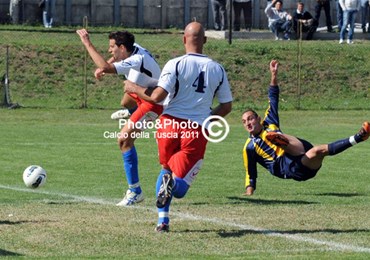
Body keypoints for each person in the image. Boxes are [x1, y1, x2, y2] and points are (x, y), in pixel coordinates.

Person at [124, 22, 233, 232]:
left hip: (169, 123)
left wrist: (134, 87)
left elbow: (157, 96)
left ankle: (162, 221)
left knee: (166, 169)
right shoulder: (217, 68)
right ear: (205, 41)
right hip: (196, 128)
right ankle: (171, 188)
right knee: (180, 185)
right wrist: (208, 119)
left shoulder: (174, 64)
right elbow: (226, 106)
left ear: (184, 39)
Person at [241, 60, 370, 196]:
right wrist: (249, 191)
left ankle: (360, 137)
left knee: (319, 150)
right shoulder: (249, 147)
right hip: (288, 167)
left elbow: (273, 97)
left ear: (259, 119)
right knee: (273, 136)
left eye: (250, 119)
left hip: (303, 156)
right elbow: (250, 171)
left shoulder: (269, 121)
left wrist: (273, 75)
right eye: (244, 122)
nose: (247, 123)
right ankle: (280, 140)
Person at [76, 29, 163, 206]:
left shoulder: (136, 59)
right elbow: (112, 61)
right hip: (142, 91)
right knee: (126, 101)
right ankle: (133, 115)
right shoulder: (134, 48)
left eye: (111, 47)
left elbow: (109, 68)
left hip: (153, 102)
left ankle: (135, 191)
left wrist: (87, 43)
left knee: (124, 140)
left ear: (122, 47)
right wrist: (105, 65)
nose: (109, 50)